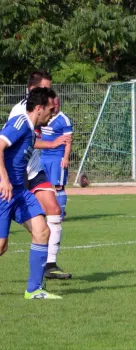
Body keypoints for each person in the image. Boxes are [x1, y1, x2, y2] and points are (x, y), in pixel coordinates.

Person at [0, 87, 63, 299]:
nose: (51, 114)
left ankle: (34, 289)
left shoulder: (31, 130)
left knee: (42, 231)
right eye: (49, 110)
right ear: (38, 108)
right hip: (4, 192)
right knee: (1, 246)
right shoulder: (19, 123)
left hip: (19, 192)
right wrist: (5, 180)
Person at [9, 70, 72, 279]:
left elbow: (32, 140)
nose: (49, 93)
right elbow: (18, 140)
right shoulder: (20, 113)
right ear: (32, 89)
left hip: (34, 169)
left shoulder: (43, 111)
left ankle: (49, 266)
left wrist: (52, 143)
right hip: (17, 174)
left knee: (54, 209)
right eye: (45, 88)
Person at [40, 94, 72, 220]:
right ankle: (46, 211)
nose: (56, 106)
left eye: (57, 104)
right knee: (43, 185)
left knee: (59, 186)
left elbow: (69, 141)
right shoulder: (43, 117)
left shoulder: (63, 120)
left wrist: (65, 157)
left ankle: (61, 213)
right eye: (53, 104)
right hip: (43, 157)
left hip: (57, 157)